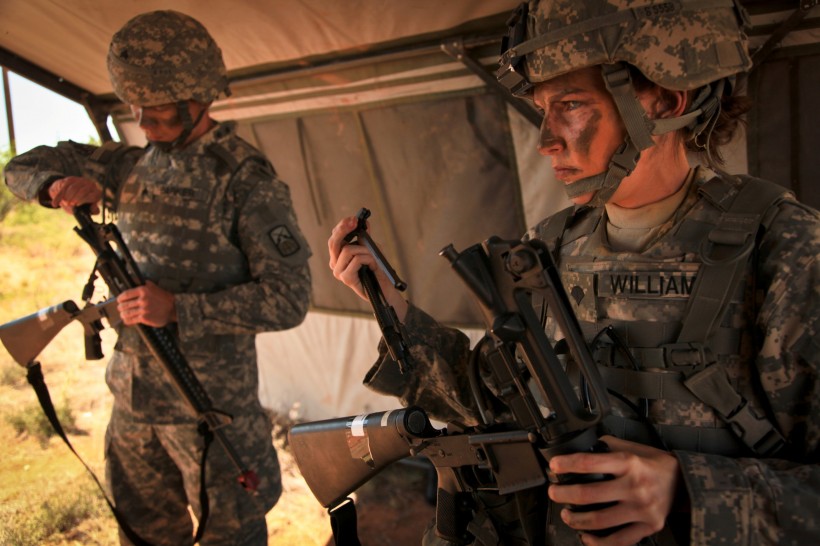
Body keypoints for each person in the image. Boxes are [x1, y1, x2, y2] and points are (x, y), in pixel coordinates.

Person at [327, 1, 819, 545]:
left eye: (572, 105)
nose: (546, 140)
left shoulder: (785, 249)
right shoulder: (553, 244)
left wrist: (689, 490)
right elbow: (492, 405)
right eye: (543, 109)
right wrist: (393, 311)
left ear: (667, 99)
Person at [4, 10, 312, 546]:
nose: (144, 123)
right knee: (143, 537)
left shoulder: (245, 182)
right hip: (133, 406)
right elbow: (21, 166)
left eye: (160, 111)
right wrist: (55, 185)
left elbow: (289, 299)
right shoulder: (129, 167)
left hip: (210, 415)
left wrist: (181, 310)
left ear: (201, 99)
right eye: (137, 108)